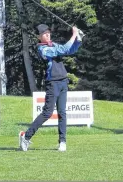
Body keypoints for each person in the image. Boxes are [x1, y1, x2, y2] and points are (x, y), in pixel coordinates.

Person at [19, 24, 84, 152]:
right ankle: (26, 137)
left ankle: (62, 142)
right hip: (52, 83)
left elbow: (70, 50)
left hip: (63, 81)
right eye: (45, 34)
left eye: (49, 33)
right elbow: (63, 50)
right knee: (47, 113)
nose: (48, 35)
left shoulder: (53, 44)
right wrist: (74, 34)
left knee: (62, 113)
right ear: (39, 37)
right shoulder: (42, 49)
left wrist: (78, 41)